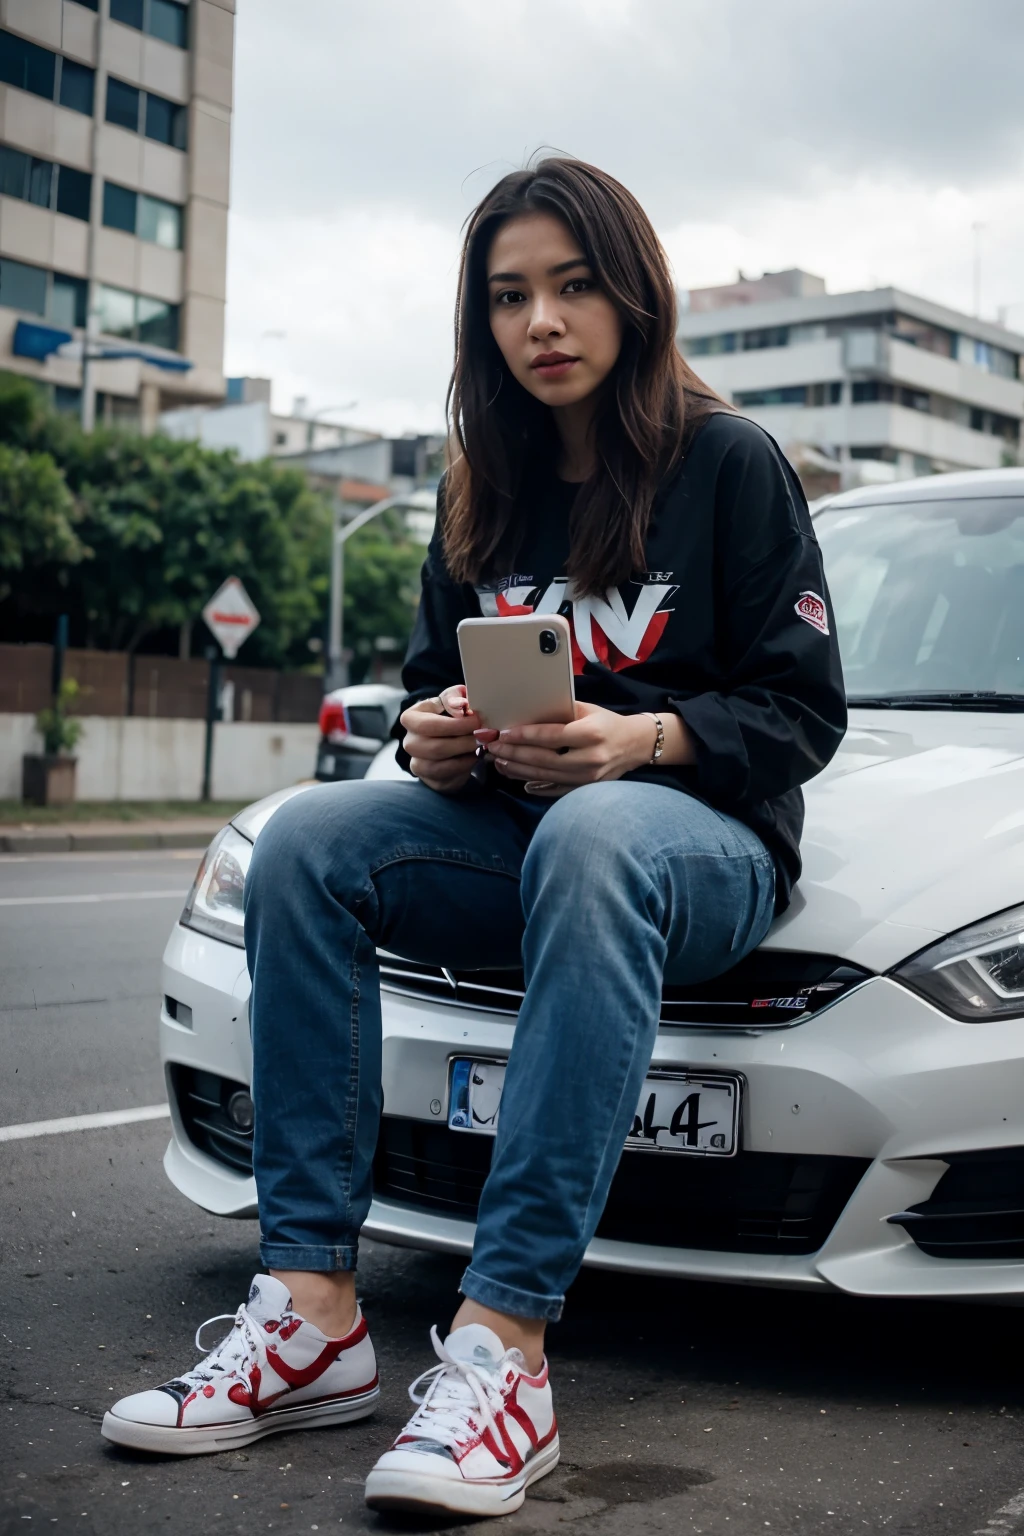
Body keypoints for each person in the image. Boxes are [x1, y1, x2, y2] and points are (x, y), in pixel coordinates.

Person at [101, 157, 846, 1516]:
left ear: (632, 293)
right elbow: (428, 681)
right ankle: (314, 1313)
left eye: (571, 286)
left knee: (600, 834)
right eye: (509, 296)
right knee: (311, 840)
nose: (541, 322)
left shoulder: (726, 463)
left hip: (702, 852)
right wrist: (433, 738)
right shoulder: (478, 485)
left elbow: (803, 714)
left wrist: (642, 739)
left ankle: (505, 1345)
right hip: (517, 837)